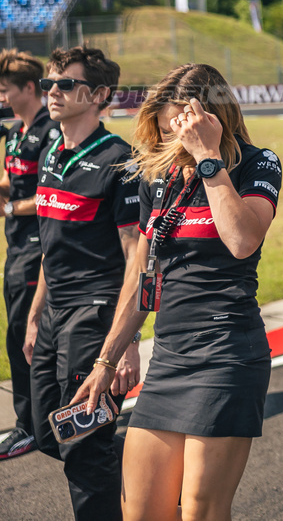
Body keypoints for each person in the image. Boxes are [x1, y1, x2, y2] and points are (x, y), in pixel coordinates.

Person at [73, 63, 281, 521]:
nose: (173, 143)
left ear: (212, 121)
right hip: (169, 359)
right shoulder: (160, 179)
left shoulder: (256, 164)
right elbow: (138, 277)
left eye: (182, 132)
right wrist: (107, 359)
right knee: (141, 512)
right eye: (168, 131)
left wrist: (209, 162)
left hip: (227, 356)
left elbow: (243, 240)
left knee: (200, 513)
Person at [28, 46, 141, 520]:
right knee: (43, 429)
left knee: (83, 447)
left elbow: (136, 256)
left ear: (98, 95)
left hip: (94, 315)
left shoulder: (120, 160)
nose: (51, 92)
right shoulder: (51, 148)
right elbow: (49, 246)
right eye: (50, 83)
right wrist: (35, 315)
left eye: (64, 84)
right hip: (53, 312)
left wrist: (128, 344)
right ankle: (141, 492)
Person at [0, 50, 62, 461]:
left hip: (37, 248)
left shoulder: (49, 132)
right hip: (16, 246)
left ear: (28, 88)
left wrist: (8, 207)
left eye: (5, 86)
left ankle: (32, 427)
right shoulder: (15, 132)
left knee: (27, 336)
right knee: (20, 334)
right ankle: (42, 420)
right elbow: (11, 182)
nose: (0, 93)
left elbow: (49, 197)